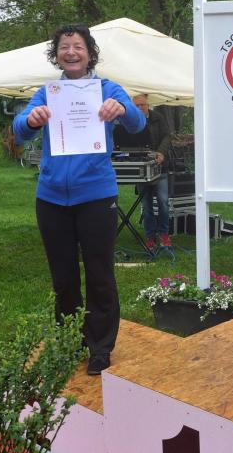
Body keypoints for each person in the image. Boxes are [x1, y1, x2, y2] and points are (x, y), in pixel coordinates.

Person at [13, 23, 146, 376]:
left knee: (100, 274)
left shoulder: (108, 89)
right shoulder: (48, 92)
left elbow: (137, 123)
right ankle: (72, 341)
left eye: (78, 46)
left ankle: (100, 347)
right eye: (64, 47)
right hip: (51, 198)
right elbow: (19, 130)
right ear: (56, 54)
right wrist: (31, 119)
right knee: (64, 277)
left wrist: (122, 109)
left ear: (89, 53)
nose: (71, 52)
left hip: (96, 195)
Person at [133, 95, 172, 249]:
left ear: (148, 105)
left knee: (163, 202)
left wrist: (161, 152)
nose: (139, 108)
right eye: (136, 106)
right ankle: (150, 236)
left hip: (160, 168)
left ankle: (164, 234)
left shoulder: (158, 117)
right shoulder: (132, 121)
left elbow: (167, 136)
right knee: (146, 204)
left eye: (142, 105)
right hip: (142, 168)